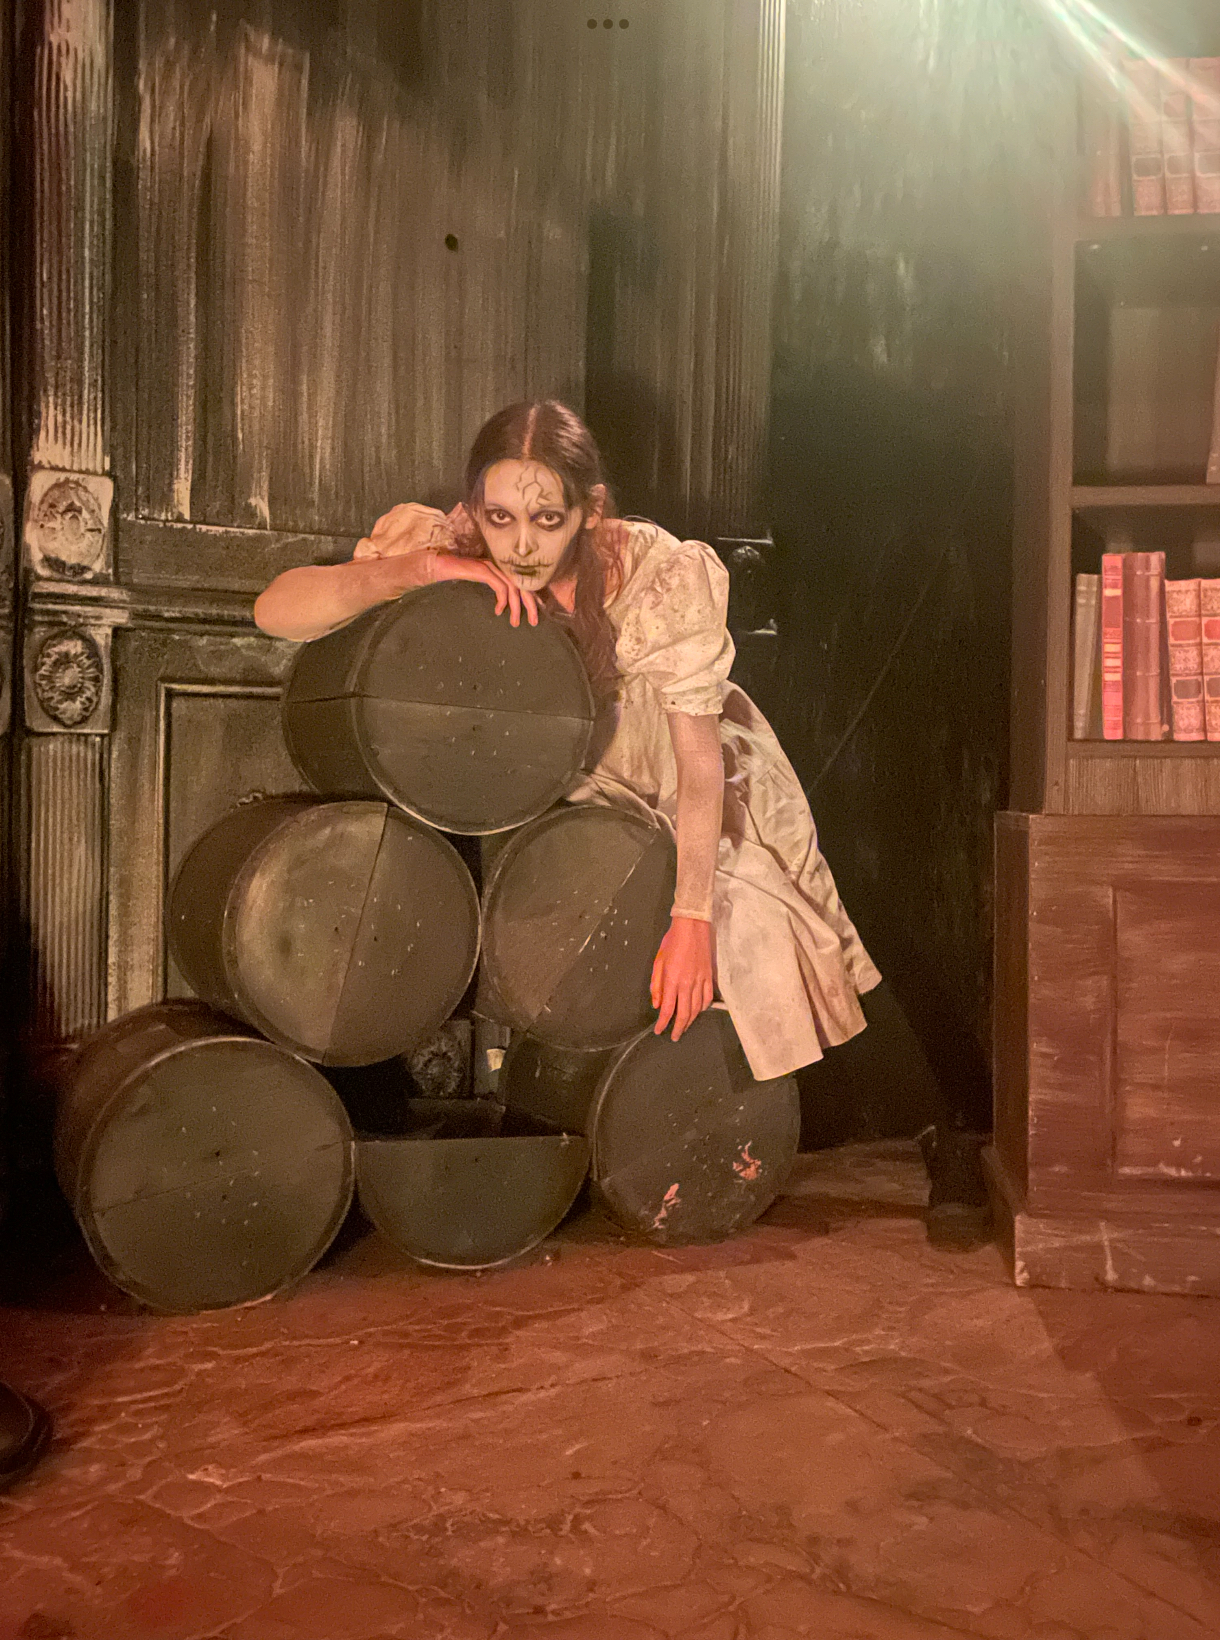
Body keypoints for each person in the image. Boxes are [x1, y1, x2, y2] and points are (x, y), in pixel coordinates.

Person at [255, 400, 988, 1247]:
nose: (521, 545)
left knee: (783, 921)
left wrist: (692, 918)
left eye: (546, 519)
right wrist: (422, 571)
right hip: (559, 786)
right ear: (475, 507)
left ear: (589, 510)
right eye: (500, 518)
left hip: (683, 772)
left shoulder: (653, 573)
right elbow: (276, 609)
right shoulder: (455, 545)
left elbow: (699, 762)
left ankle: (949, 1131)